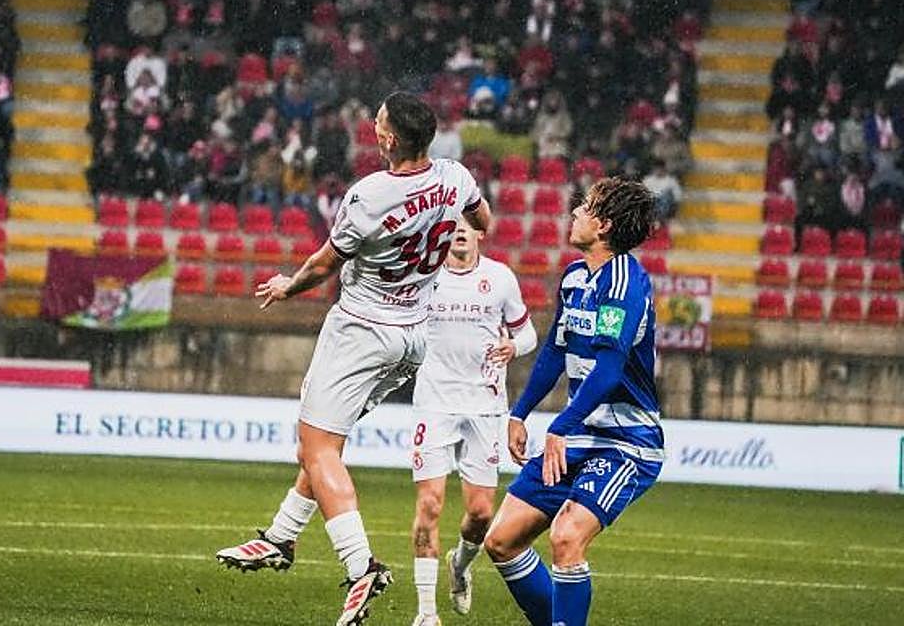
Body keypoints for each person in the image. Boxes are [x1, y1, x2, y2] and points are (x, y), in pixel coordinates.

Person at [216, 92, 492, 626]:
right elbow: (483, 220)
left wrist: (286, 286)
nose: (374, 125)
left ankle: (360, 566)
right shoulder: (456, 178)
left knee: (315, 446)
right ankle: (280, 536)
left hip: (362, 331)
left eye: (380, 121)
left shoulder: (370, 195)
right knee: (327, 446)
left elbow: (323, 264)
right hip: (414, 336)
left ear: (388, 139)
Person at [483, 176, 660, 626]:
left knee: (565, 536)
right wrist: (519, 412)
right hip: (579, 432)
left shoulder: (624, 283)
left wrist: (560, 424)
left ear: (603, 226)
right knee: (501, 540)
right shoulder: (575, 276)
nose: (574, 212)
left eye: (584, 207)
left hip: (625, 441)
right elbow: (555, 352)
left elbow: (610, 368)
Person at [408, 214, 537, 626]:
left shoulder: (500, 278)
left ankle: (460, 566)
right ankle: (426, 613)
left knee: (481, 512)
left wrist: (514, 347)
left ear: (480, 232)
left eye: (468, 224)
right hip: (434, 401)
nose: (460, 230)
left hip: (485, 404)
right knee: (429, 503)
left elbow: (529, 333)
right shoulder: (425, 276)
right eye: (453, 224)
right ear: (444, 232)